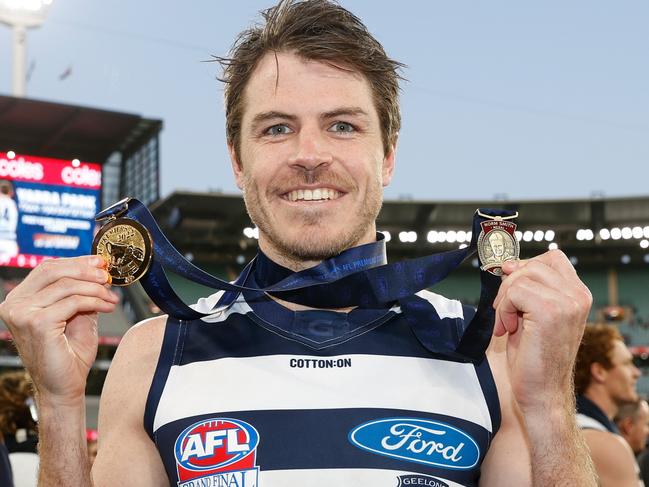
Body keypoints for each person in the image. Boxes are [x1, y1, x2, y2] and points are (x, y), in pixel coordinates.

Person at [0, 1, 596, 486]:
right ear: (238, 161)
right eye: (277, 128)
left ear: (387, 155)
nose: (309, 155)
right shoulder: (153, 354)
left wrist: (547, 407)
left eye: (342, 125)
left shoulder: (490, 350)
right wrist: (58, 406)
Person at [575, 323, 643, 486]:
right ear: (599, 372)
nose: (636, 373)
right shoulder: (607, 445)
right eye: (627, 364)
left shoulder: (571, 427)